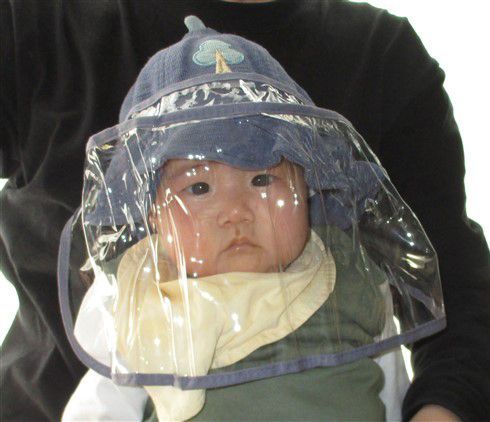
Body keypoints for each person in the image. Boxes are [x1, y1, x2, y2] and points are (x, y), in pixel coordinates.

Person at [1, 1, 489, 421]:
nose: (235, 211)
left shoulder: (347, 280)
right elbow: (102, 408)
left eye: (261, 180)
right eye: (198, 188)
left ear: (309, 183)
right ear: (152, 214)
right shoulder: (144, 304)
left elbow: (397, 376)